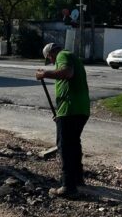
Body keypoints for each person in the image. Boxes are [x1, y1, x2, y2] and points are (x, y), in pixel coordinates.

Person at [36, 43, 90, 198]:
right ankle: (77, 178)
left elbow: (67, 73)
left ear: (52, 52)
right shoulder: (70, 56)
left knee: (65, 146)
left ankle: (68, 186)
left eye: (50, 59)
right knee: (74, 143)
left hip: (71, 109)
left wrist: (44, 74)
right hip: (78, 109)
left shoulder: (63, 55)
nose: (52, 62)